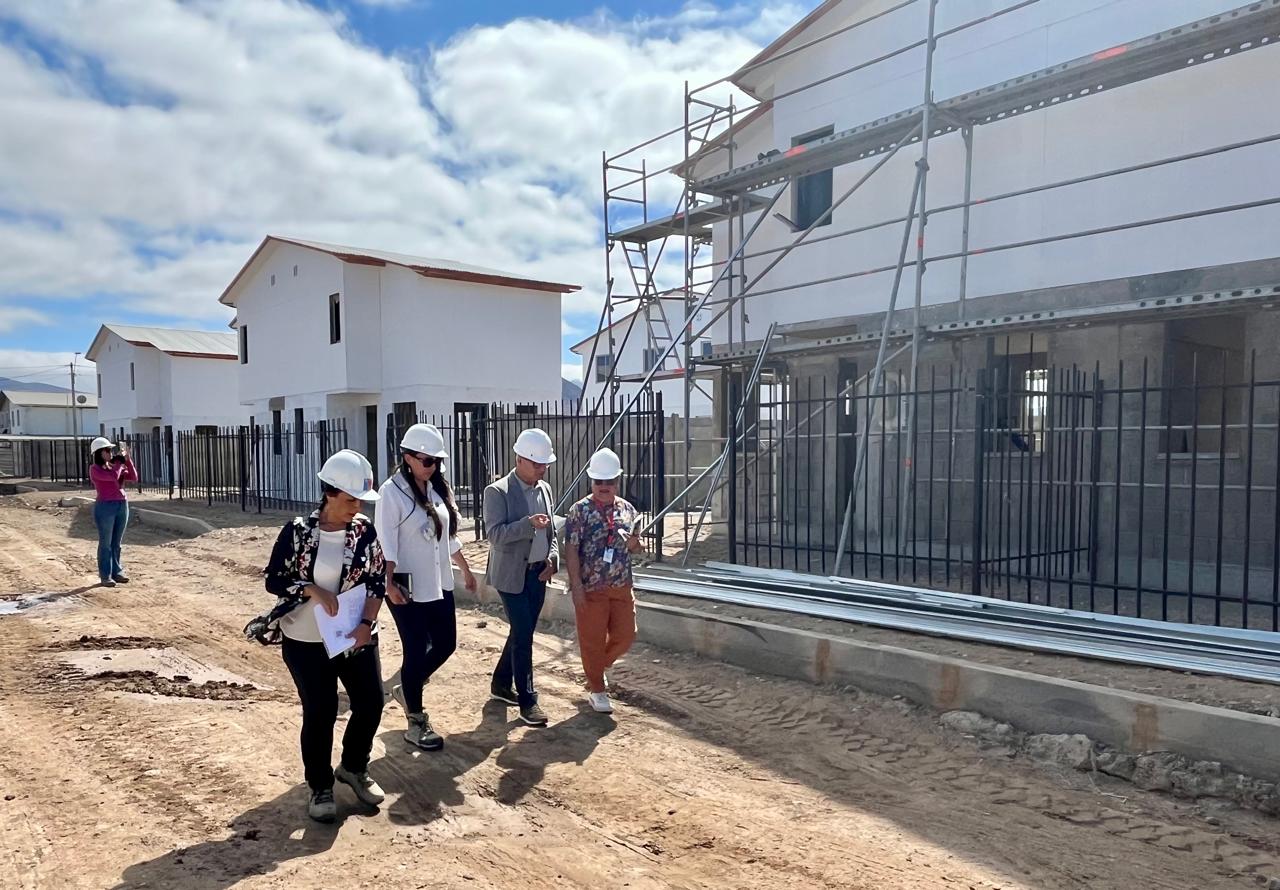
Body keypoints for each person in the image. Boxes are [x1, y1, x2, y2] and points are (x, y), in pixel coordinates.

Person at [259, 449, 388, 823]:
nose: (357, 507)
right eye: (351, 499)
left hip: (352, 635)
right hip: (305, 640)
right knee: (321, 711)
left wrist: (366, 623)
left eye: (360, 500)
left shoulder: (364, 531)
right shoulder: (297, 532)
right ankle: (320, 785)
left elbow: (376, 580)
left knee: (371, 702)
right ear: (330, 493)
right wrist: (311, 589)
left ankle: (354, 767)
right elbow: (274, 580)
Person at [376, 423, 477, 752]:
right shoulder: (391, 493)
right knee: (416, 649)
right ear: (408, 457)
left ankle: (408, 687)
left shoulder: (435, 489)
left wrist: (465, 569)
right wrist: (388, 584)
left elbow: (446, 536)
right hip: (407, 587)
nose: (432, 466)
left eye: (437, 461)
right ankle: (416, 720)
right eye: (427, 460)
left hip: (439, 582)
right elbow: (386, 543)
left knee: (446, 644)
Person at [484, 427, 559, 727]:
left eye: (545, 464)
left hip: (537, 575)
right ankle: (528, 701)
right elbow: (495, 535)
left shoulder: (545, 489)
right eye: (537, 464)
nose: (543, 469)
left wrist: (553, 558)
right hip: (511, 577)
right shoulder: (497, 492)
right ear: (520, 459)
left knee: (520, 631)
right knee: (524, 635)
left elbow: (552, 532)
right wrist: (527, 525)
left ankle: (501, 683)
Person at [564, 448, 644, 714]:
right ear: (592, 481)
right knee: (592, 641)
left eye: (609, 481)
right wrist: (576, 586)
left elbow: (637, 547)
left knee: (626, 635)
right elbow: (571, 549)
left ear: (617, 481)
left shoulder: (628, 509)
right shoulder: (580, 511)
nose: (604, 486)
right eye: (599, 481)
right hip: (591, 588)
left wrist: (635, 544)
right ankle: (597, 689)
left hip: (621, 585)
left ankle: (598, 667)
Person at [88, 436, 138, 588]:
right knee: (106, 543)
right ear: (99, 453)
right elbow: (113, 477)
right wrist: (118, 463)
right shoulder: (95, 469)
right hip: (105, 506)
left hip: (121, 504)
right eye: (107, 450)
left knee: (117, 542)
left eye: (111, 450)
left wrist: (127, 460)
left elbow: (133, 477)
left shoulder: (114, 466)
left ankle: (117, 571)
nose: (110, 453)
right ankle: (105, 575)